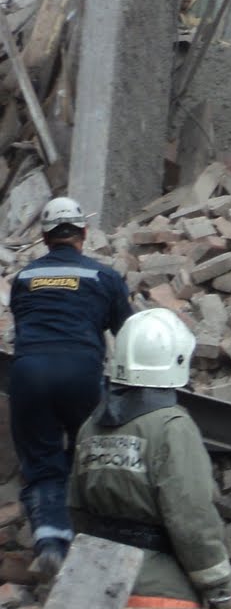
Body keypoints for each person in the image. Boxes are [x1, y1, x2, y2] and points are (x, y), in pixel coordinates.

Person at [70, 309, 231, 609]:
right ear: (177, 360)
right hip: (157, 596)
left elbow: (76, 510)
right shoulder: (172, 427)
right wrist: (219, 588)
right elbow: (192, 518)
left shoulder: (91, 427)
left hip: (90, 591)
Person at [8, 197, 133, 581]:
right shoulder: (104, 277)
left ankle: (50, 541)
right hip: (81, 372)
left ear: (46, 238)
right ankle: (96, 541)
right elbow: (128, 334)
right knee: (91, 455)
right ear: (83, 233)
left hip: (29, 374)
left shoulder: (24, 278)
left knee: (43, 463)